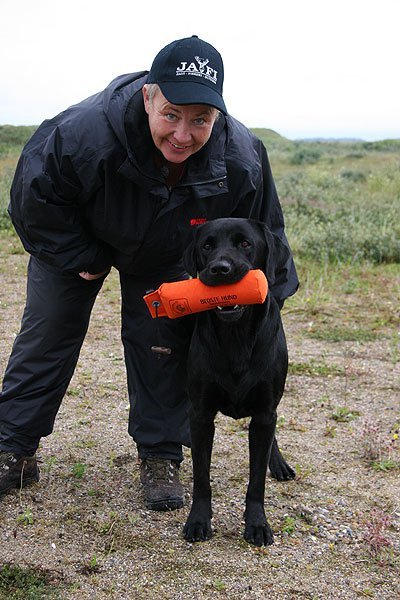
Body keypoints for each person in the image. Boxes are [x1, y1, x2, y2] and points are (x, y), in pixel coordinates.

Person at [0, 35, 299, 510]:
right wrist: (81, 256)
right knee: (49, 332)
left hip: (167, 250)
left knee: (162, 341)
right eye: (172, 115)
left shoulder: (242, 157)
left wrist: (269, 297)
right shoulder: (82, 134)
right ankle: (13, 446)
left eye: (200, 120)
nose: (183, 134)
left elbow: (267, 235)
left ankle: (161, 454)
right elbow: (32, 200)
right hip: (80, 241)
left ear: (217, 115)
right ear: (148, 95)